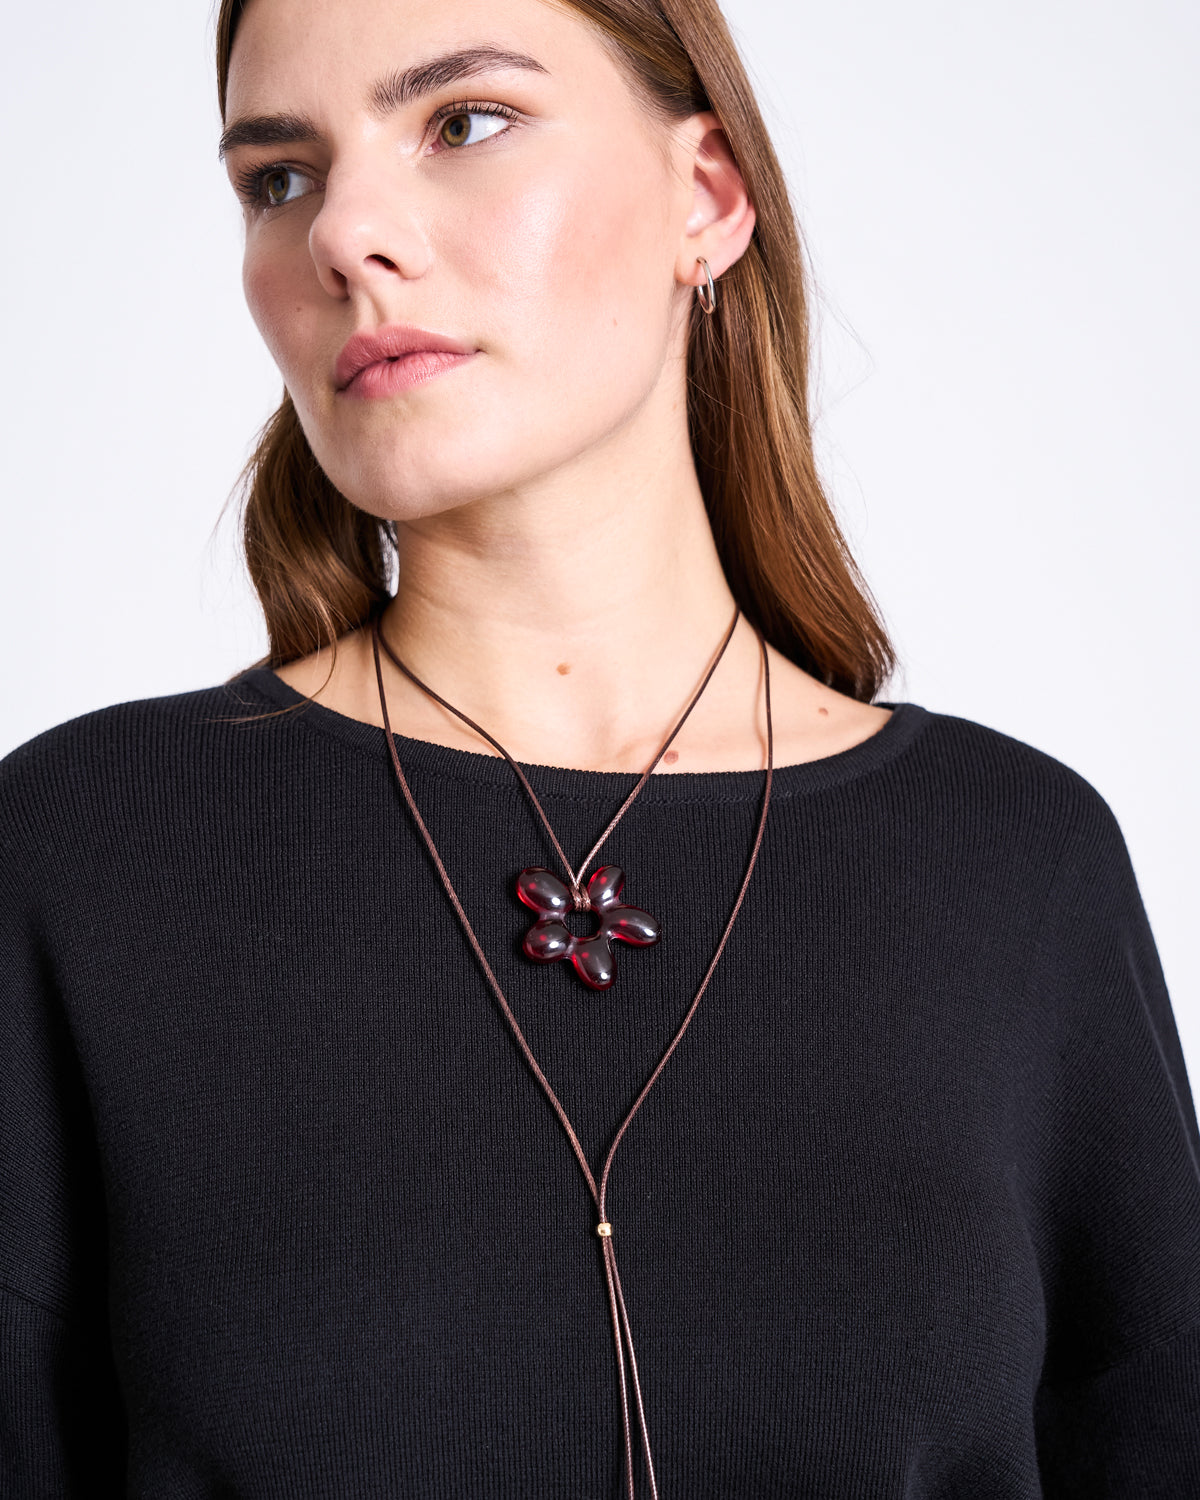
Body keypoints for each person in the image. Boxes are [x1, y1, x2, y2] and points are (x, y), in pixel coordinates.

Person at [2, 0, 1197, 1493]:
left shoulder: (1015, 866)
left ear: (703, 199)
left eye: (464, 122)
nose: (345, 236)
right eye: (279, 178)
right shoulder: (87, 851)